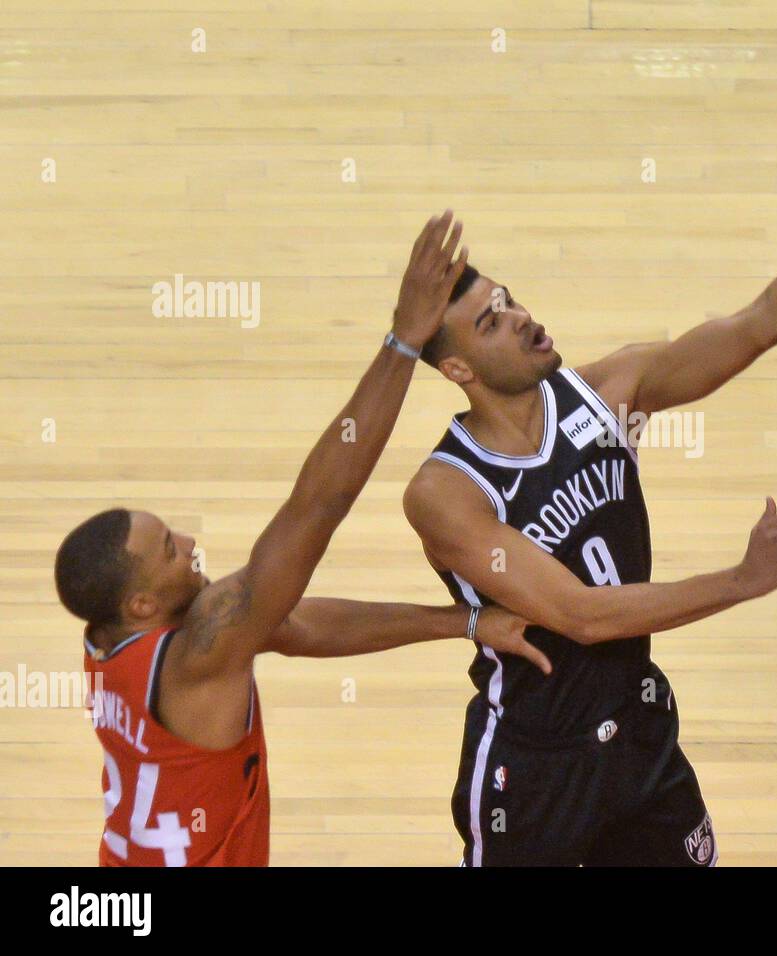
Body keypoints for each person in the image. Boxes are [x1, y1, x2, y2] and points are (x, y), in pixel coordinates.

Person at [53, 211, 549, 866]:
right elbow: (318, 506)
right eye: (170, 549)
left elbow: (297, 625)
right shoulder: (201, 654)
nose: (191, 541)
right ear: (140, 603)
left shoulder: (110, 641)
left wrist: (465, 620)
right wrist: (404, 342)